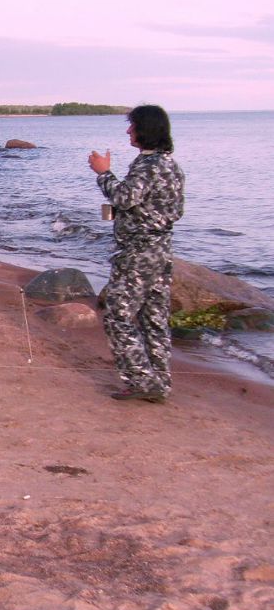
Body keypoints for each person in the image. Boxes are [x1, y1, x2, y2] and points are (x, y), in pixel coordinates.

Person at [88, 104, 185, 402]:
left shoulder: (148, 165)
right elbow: (173, 211)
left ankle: (144, 381)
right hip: (161, 250)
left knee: (118, 317)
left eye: (133, 126)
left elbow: (124, 196)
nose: (128, 130)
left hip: (138, 252)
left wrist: (104, 173)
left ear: (146, 130)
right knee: (154, 319)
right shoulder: (171, 165)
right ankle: (159, 382)